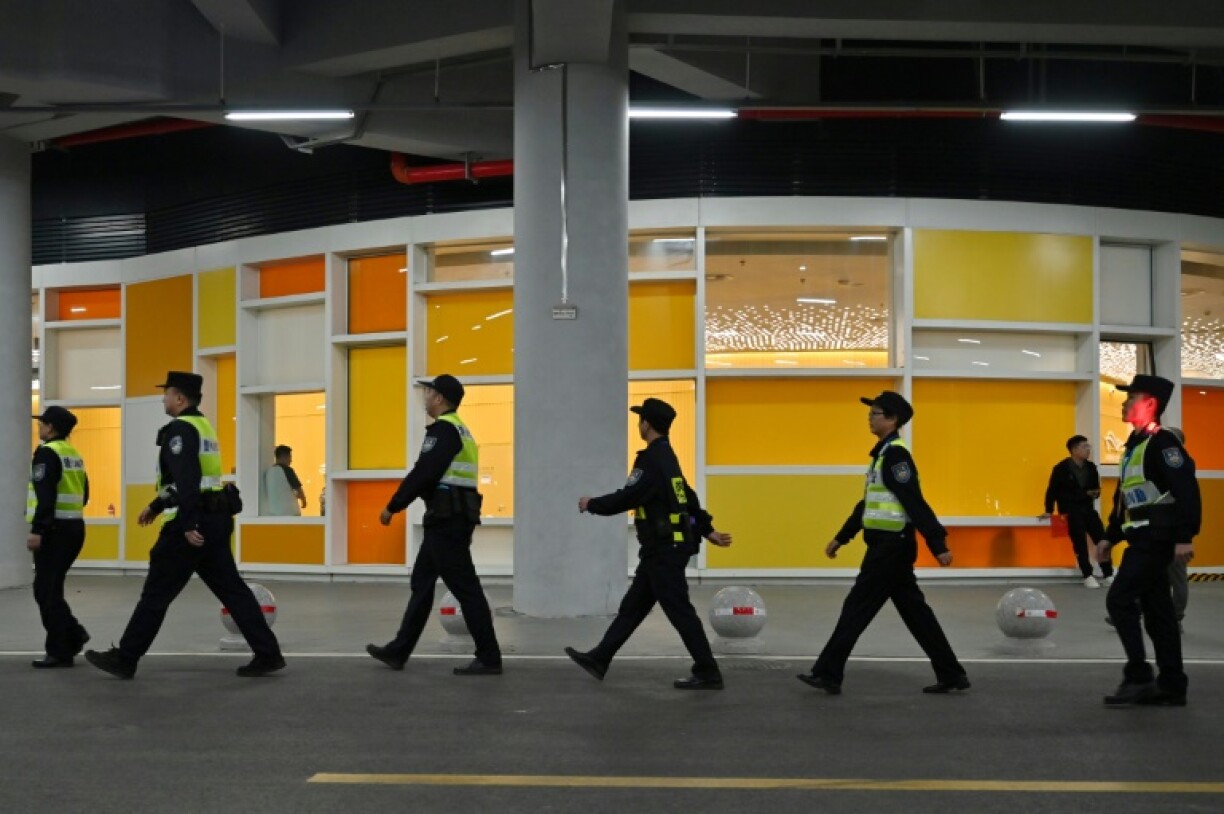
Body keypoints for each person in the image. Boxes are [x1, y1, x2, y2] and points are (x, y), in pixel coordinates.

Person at [85, 371, 285, 679]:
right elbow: (194, 481)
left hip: (192, 524)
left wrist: (188, 523)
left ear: (179, 398)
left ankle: (125, 658)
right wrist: (156, 505)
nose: (163, 398)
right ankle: (268, 654)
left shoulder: (179, 430)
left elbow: (187, 479)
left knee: (156, 593)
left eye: (166, 393)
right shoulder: (203, 427)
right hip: (216, 519)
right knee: (233, 591)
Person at [797, 391, 969, 695]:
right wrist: (841, 537)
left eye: (875, 413)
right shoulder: (882, 455)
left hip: (891, 548)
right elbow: (868, 504)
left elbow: (913, 500)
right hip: (888, 547)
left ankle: (828, 672)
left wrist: (937, 542)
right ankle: (951, 673)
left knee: (856, 608)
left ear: (892, 420)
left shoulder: (896, 456)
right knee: (916, 614)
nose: (869, 418)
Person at [565, 398, 733, 690]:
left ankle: (708, 670)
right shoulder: (668, 458)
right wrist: (708, 531)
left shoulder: (651, 460)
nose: (638, 423)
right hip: (665, 549)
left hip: (663, 550)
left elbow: (629, 496)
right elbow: (687, 496)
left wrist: (592, 503)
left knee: (679, 611)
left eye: (640, 419)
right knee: (633, 607)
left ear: (648, 424)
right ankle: (600, 658)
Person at [366, 374, 502, 675]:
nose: (425, 397)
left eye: (428, 392)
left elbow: (424, 472)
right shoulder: (462, 431)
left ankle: (490, 656)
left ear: (440, 398)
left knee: (466, 589)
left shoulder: (443, 430)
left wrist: (393, 505)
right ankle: (398, 651)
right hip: (451, 518)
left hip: (447, 522)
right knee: (422, 583)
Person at [1097, 375, 1200, 707]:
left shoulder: (1163, 443)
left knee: (1120, 600)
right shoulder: (1135, 446)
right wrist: (1109, 537)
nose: (1125, 403)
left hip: (1156, 540)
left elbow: (1186, 490)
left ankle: (1139, 676)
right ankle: (1171, 685)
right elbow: (1126, 498)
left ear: (1151, 404)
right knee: (1159, 613)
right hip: (1141, 537)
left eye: (1132, 397)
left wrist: (1185, 537)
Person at [27, 406, 90, 668]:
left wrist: (38, 530)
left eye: (41, 423)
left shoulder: (47, 453)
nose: (39, 427)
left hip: (54, 531)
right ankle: (72, 635)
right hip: (74, 527)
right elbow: (85, 494)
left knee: (46, 591)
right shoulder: (73, 454)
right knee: (50, 589)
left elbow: (46, 497)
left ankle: (61, 648)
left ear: (51, 427)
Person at [1039, 435, 1114, 588]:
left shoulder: (1091, 467)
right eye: (1085, 447)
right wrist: (1048, 509)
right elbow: (1052, 490)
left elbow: (1095, 488)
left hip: (1088, 509)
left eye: (1089, 447)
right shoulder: (1061, 468)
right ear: (1074, 450)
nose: (1088, 450)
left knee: (1102, 540)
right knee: (1079, 543)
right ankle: (1087, 574)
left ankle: (1108, 573)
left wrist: (1094, 493)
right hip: (1071, 511)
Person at [262, 444, 306, 516]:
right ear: (284, 457)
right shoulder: (287, 470)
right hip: (290, 512)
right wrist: (303, 500)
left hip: (274, 513)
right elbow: (297, 487)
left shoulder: (269, 472)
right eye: (289, 457)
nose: (291, 460)